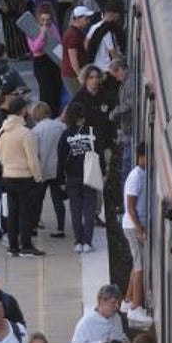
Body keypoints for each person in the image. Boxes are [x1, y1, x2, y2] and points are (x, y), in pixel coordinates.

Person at [0, 97, 45, 257]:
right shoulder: (25, 133)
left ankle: (13, 246)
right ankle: (26, 244)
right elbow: (32, 158)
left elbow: (1, 154)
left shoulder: (2, 130)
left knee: (12, 212)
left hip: (8, 175)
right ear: (22, 111)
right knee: (26, 212)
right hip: (24, 177)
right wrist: (38, 177)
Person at [57, 102, 99, 252]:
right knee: (89, 209)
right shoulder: (92, 132)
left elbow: (61, 158)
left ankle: (78, 242)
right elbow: (99, 153)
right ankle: (88, 242)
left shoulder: (65, 135)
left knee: (75, 209)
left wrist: (60, 179)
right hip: (90, 176)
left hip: (72, 177)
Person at [121, 143, 154, 326]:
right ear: (142, 156)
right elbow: (130, 207)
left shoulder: (143, 174)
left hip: (135, 225)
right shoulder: (136, 177)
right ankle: (136, 307)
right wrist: (140, 230)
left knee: (136, 263)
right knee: (140, 265)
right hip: (133, 226)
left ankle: (127, 301)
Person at [29, 101, 66, 238]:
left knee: (38, 199)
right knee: (58, 199)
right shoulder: (61, 126)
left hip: (42, 169)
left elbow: (35, 153)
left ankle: (33, 226)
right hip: (58, 169)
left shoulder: (35, 131)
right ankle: (60, 227)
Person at [28, 2, 64, 113]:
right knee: (46, 91)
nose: (45, 22)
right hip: (41, 61)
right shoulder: (32, 29)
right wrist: (42, 35)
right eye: (42, 19)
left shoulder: (53, 27)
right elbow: (34, 48)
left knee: (57, 89)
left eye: (48, 19)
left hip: (53, 61)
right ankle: (45, 115)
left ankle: (56, 113)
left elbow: (58, 42)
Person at [61, 6, 93, 95]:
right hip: (73, 75)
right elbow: (73, 59)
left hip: (74, 74)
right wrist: (80, 76)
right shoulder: (73, 35)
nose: (88, 21)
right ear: (78, 19)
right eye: (86, 19)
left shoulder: (76, 32)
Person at [87, 2, 122, 72]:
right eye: (118, 13)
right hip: (106, 68)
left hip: (95, 66)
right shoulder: (107, 30)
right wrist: (122, 64)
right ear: (112, 14)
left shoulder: (94, 27)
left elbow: (86, 44)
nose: (119, 16)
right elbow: (113, 53)